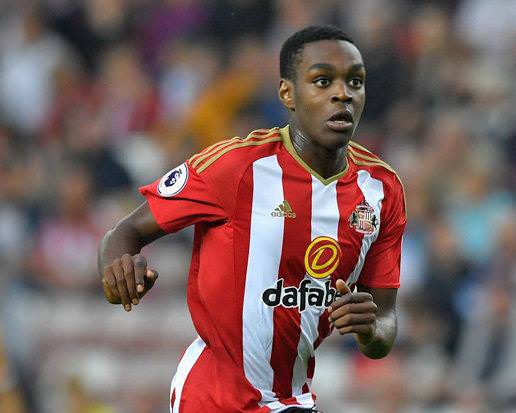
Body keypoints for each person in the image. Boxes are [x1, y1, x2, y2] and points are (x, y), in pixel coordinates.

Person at [98, 25, 406, 413]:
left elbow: (384, 325)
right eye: (323, 81)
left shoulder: (381, 190)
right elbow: (125, 232)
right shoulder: (235, 167)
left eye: (355, 82)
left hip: (293, 399)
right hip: (213, 399)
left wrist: (370, 329)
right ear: (287, 93)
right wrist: (117, 274)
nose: (342, 93)